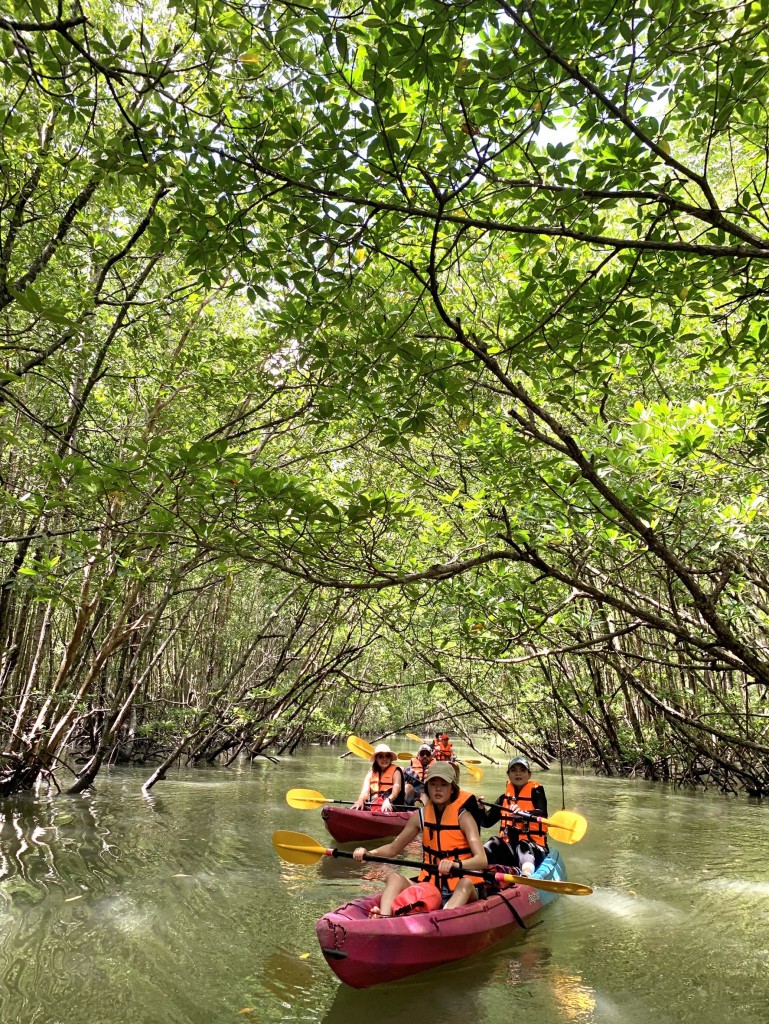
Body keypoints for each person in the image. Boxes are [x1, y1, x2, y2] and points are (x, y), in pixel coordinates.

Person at [352, 761, 488, 916]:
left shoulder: (464, 817)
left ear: (452, 789)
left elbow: (482, 860)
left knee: (465, 884)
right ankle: (384, 917)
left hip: (462, 886)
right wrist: (369, 853)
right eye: (433, 784)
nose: (438, 789)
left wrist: (456, 864)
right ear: (427, 788)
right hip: (431, 884)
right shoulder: (420, 817)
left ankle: (442, 918)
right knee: (395, 877)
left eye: (443, 784)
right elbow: (393, 848)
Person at [477, 755, 548, 873]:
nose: (518, 774)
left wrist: (523, 813)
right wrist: (480, 809)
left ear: (529, 775)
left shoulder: (537, 793)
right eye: (513, 770)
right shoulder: (504, 798)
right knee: (493, 842)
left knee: (523, 845)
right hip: (509, 849)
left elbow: (542, 813)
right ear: (508, 775)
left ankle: (526, 874)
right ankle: (477, 870)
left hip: (534, 848)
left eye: (522, 770)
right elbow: (486, 822)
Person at [351, 744, 404, 813]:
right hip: (373, 805)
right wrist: (360, 800)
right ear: (376, 759)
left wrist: (388, 800)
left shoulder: (396, 772)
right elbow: (364, 792)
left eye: (387, 756)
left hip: (391, 804)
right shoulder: (370, 773)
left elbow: (396, 790)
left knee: (386, 809)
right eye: (381, 757)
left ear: (390, 758)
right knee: (356, 808)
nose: (384, 759)